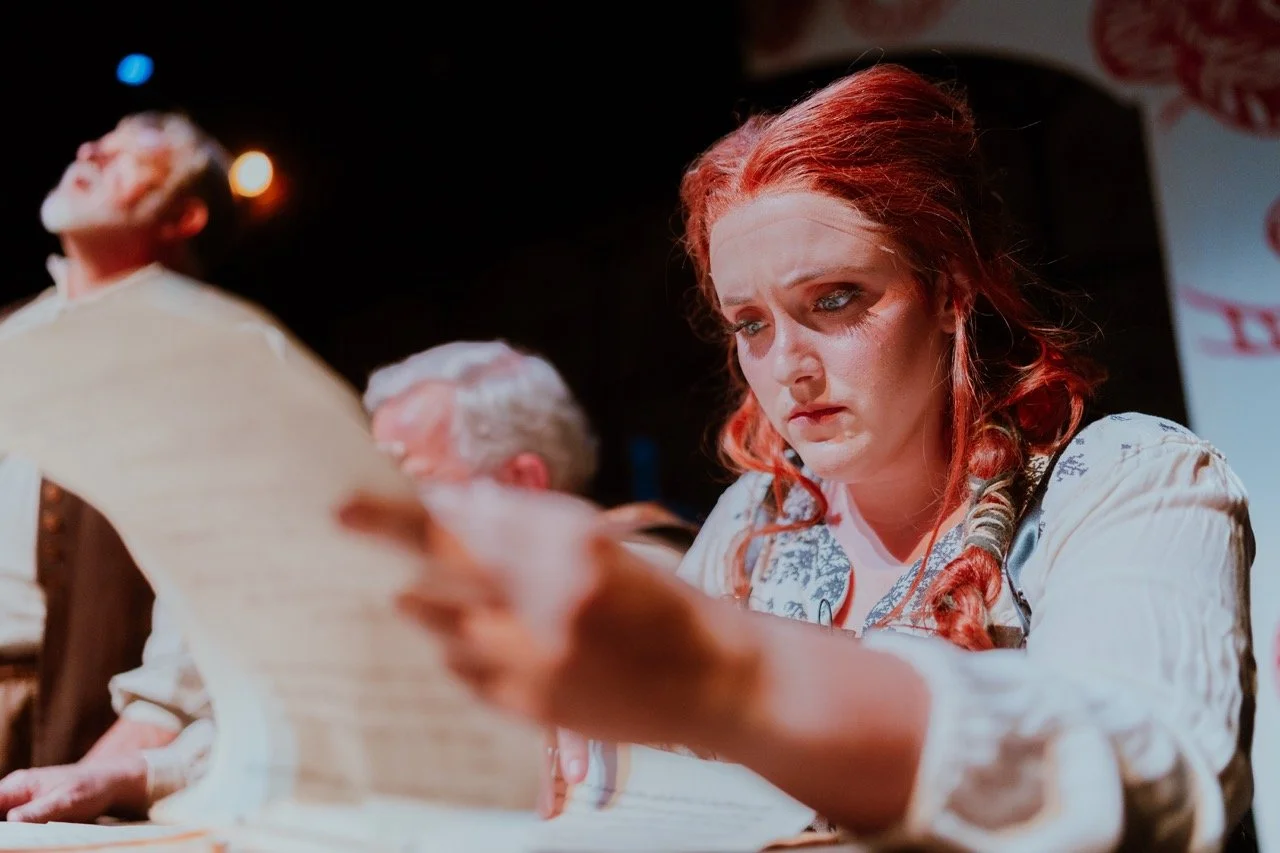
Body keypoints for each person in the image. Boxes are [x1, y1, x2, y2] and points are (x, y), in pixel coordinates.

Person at [339, 64, 1257, 851]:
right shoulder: (761, 518)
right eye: (750, 324)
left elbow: (1158, 786)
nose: (789, 366)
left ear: (949, 291)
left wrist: (728, 672)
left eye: (836, 299)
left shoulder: (1131, 479)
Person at [0, 111, 235, 822]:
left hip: (69, 711)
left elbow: (214, 575)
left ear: (183, 215)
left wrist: (134, 743)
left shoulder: (213, 355)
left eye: (130, 157)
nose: (90, 151)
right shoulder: (14, 333)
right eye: (97, 142)